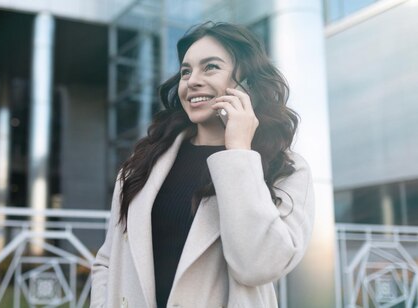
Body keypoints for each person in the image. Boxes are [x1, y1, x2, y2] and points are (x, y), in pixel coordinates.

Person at [90, 21, 315, 308]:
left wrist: (238, 154)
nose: (192, 80)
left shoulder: (286, 169)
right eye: (186, 71)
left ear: (248, 82)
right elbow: (109, 260)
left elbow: (258, 266)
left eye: (210, 67)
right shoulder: (142, 164)